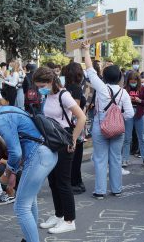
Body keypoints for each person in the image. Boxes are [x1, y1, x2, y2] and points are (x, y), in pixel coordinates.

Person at [0, 89, 58, 242]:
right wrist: (13, 172)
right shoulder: (8, 109)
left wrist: (7, 174)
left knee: (21, 207)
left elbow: (15, 152)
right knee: (30, 201)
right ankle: (30, 238)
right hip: (47, 154)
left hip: (38, 156)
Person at [33, 67, 86, 234]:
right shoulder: (47, 95)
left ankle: (70, 220)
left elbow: (82, 117)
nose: (39, 88)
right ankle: (59, 215)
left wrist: (73, 140)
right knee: (53, 181)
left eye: (42, 85)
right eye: (38, 86)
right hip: (51, 141)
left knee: (63, 183)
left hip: (64, 141)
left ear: (50, 82)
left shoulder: (64, 95)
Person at [81, 43, 134, 199]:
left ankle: (100, 191)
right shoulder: (124, 93)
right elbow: (130, 113)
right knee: (116, 158)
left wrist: (85, 50)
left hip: (100, 125)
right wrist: (117, 118)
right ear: (119, 78)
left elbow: (90, 71)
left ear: (104, 77)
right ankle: (117, 189)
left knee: (100, 158)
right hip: (118, 129)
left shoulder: (102, 88)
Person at [62, 62, 88, 195]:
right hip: (76, 125)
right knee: (76, 156)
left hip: (68, 125)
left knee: (71, 156)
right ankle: (75, 182)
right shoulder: (76, 88)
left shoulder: (65, 87)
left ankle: (75, 181)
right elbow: (75, 109)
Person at [123, 71, 144, 167]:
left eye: (134, 81)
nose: (133, 83)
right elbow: (121, 101)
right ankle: (125, 159)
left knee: (142, 137)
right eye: (131, 81)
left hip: (139, 113)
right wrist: (127, 99)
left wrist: (140, 100)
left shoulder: (142, 88)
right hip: (128, 114)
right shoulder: (125, 89)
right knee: (127, 138)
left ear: (137, 81)